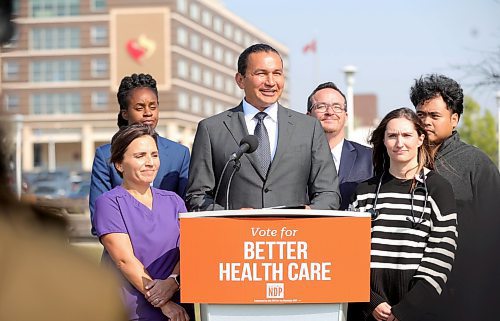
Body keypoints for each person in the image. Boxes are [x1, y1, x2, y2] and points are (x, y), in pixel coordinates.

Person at [186, 43, 340, 211]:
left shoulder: (309, 128)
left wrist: (307, 213)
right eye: (261, 74)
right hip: (236, 234)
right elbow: (197, 196)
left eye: (277, 74)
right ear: (240, 80)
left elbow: (329, 193)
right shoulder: (212, 129)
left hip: (294, 234)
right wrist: (230, 216)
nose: (271, 82)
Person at [348, 108, 457, 321]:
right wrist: (370, 300)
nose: (400, 143)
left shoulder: (438, 189)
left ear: (420, 139)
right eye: (392, 136)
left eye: (407, 135)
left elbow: (442, 251)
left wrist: (407, 308)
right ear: (384, 141)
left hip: (418, 311)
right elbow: (349, 252)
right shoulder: (364, 192)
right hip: (370, 311)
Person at [410, 74, 500, 321]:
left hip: (462, 290)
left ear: (454, 119)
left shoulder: (476, 163)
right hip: (410, 291)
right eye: (421, 114)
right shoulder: (402, 161)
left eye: (434, 116)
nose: (426, 121)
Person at [93, 124, 192, 321]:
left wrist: (173, 283)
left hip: (179, 306)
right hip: (133, 309)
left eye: (154, 155)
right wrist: (164, 302)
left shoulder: (174, 201)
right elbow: (124, 260)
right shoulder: (109, 203)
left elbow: (190, 249)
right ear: (120, 165)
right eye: (140, 156)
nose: (150, 162)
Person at [90, 73, 190, 235]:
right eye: (139, 108)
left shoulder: (180, 154)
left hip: (170, 253)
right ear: (125, 113)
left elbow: (186, 212)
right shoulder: (105, 155)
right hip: (121, 248)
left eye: (153, 106)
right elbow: (98, 217)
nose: (148, 113)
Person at [307, 82, 373, 210]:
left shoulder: (369, 158)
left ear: (346, 116)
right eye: (321, 106)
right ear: (308, 116)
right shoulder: (293, 158)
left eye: (337, 107)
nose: (330, 112)